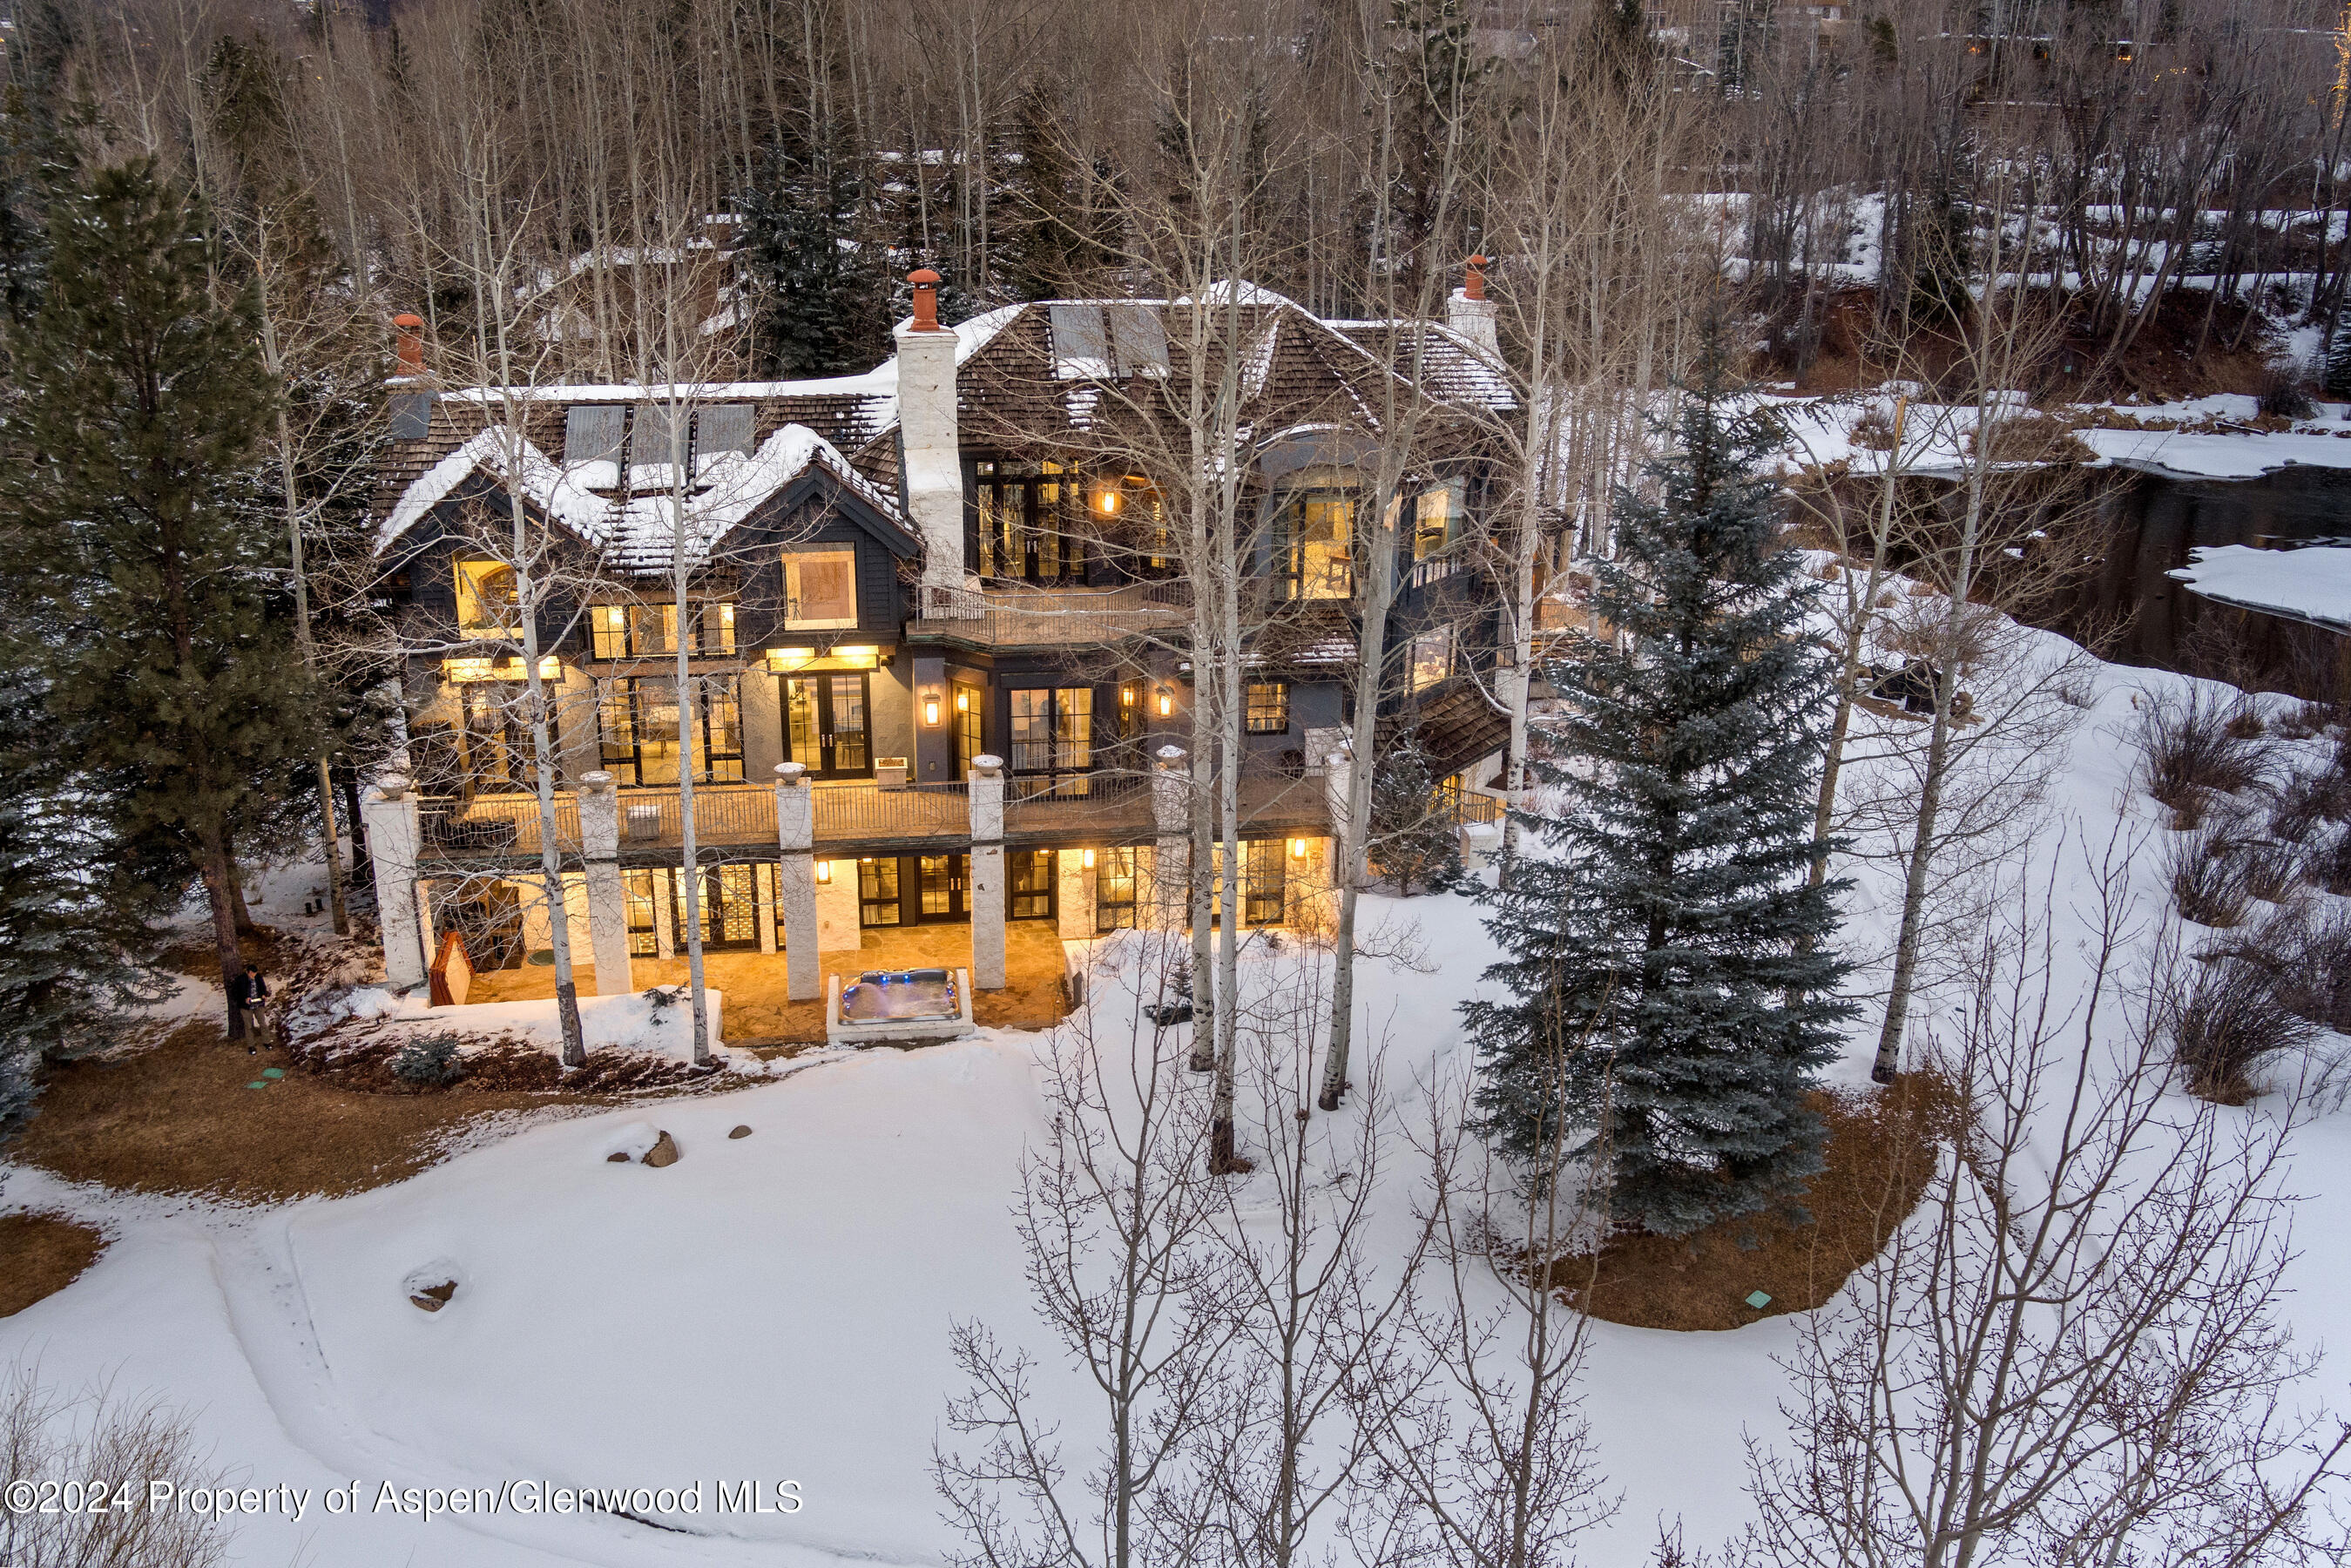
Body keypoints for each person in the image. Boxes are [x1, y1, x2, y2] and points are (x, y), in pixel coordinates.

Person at [229, 963, 274, 1053]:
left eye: (255, 973)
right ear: (248, 972)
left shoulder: (258, 977)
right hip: (246, 1007)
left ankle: (267, 1042)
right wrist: (244, 999)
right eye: (252, 974)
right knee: (248, 1026)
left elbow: (263, 988)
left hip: (258, 1005)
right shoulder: (240, 979)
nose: (253, 975)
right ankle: (251, 1045)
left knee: (263, 1023)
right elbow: (235, 993)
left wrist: (263, 995)